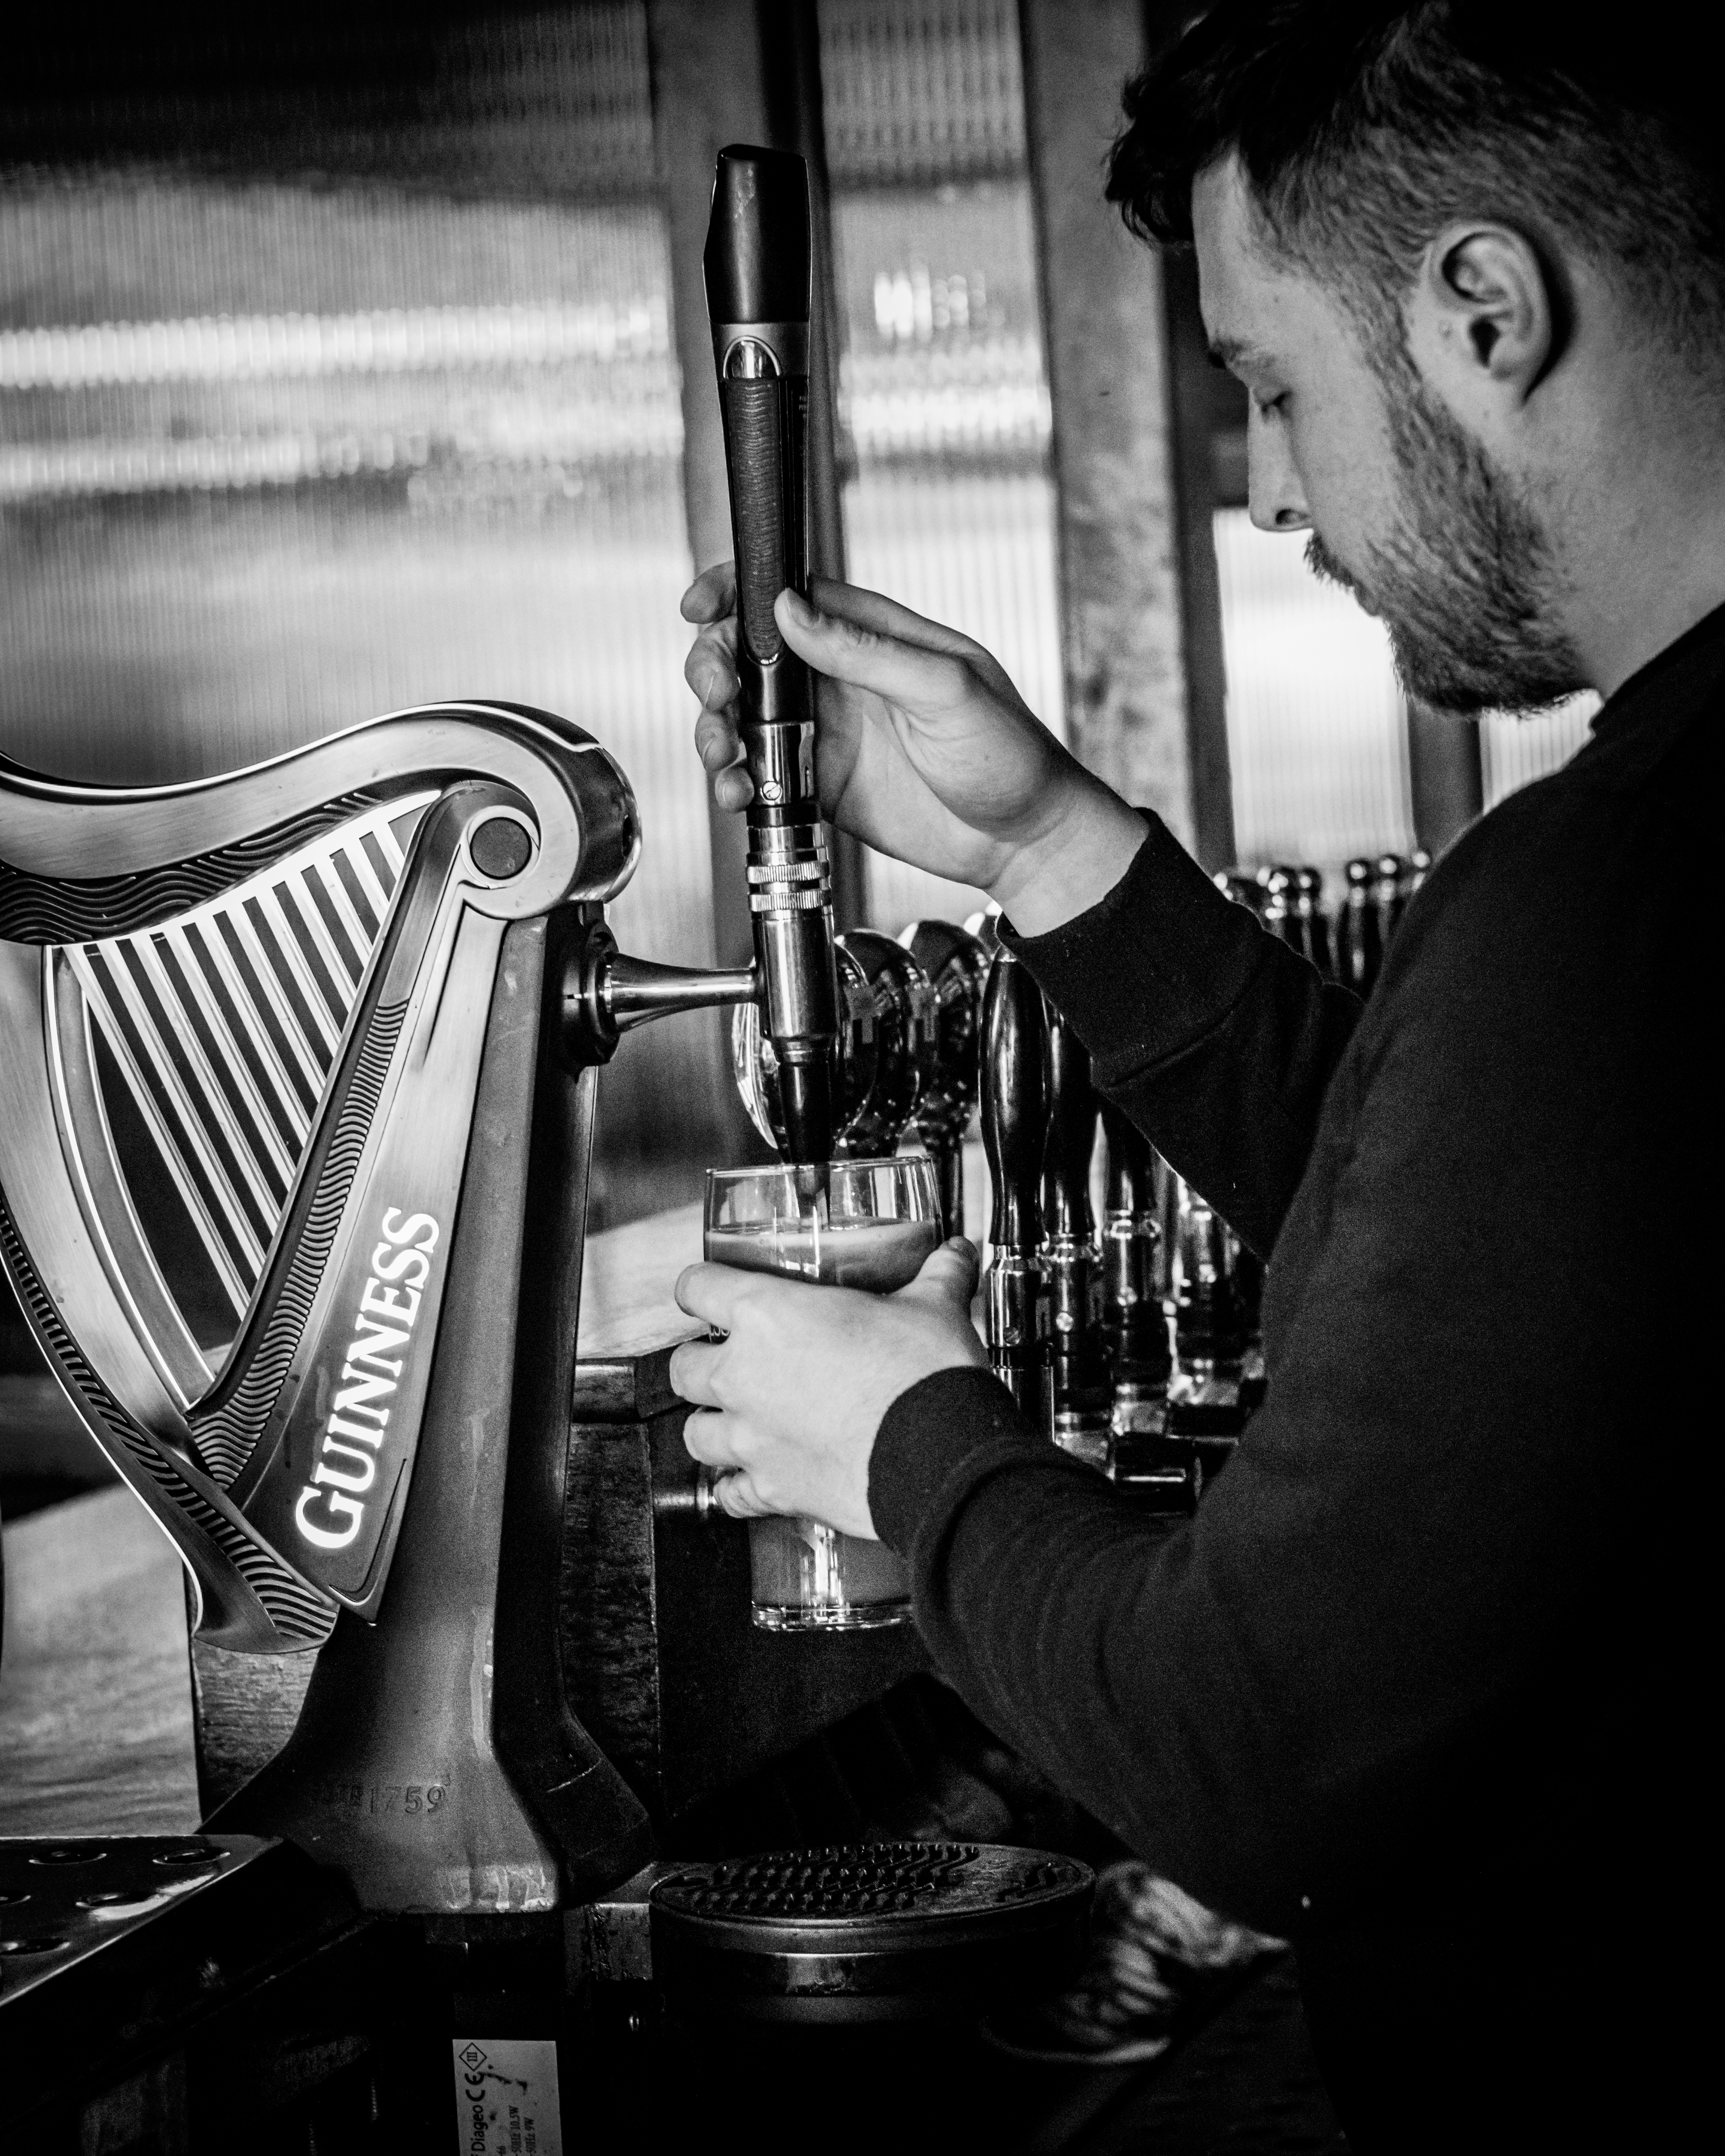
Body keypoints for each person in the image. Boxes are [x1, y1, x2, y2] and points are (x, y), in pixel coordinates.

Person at [668, 6, 1721, 2146]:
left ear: (1484, 312)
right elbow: (1486, 1242)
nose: (1266, 493)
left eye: (1268, 390)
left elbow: (1260, 1758)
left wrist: (905, 1444)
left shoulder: (1620, 886)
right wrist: (1054, 849)